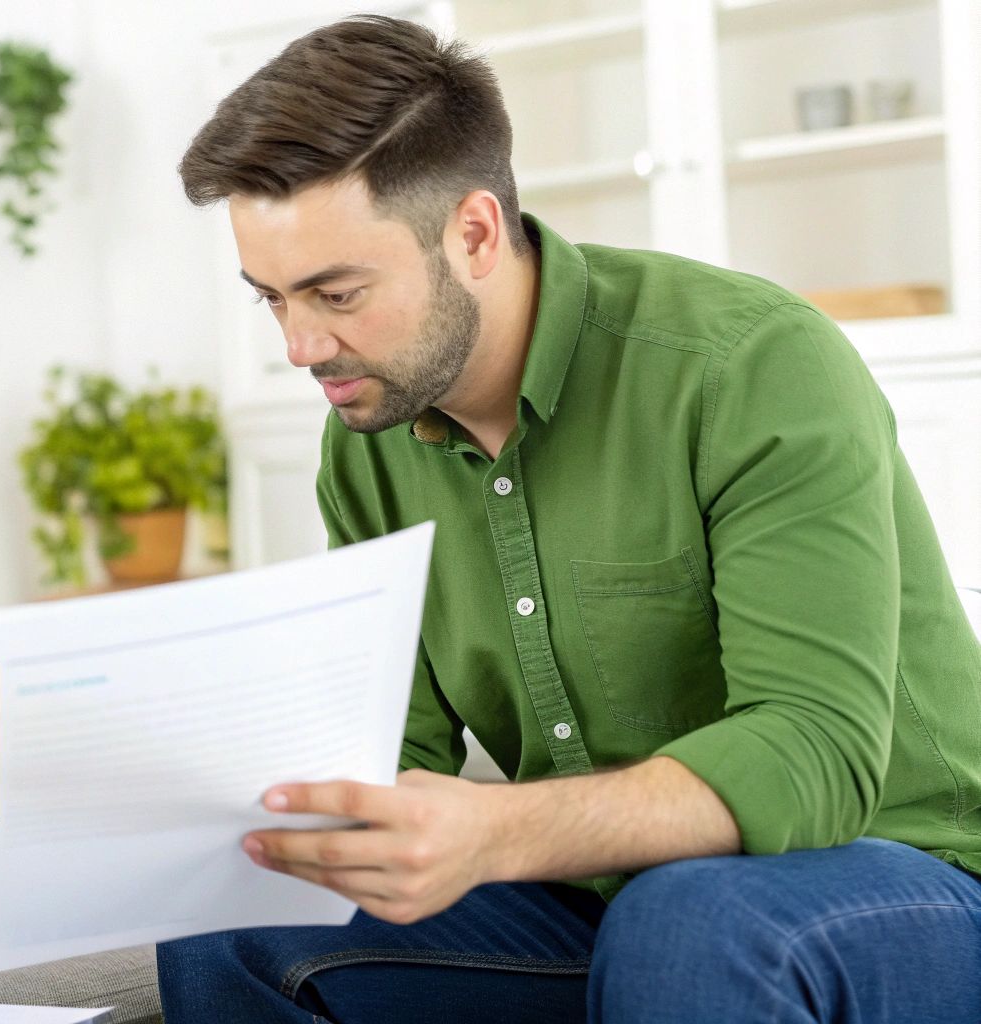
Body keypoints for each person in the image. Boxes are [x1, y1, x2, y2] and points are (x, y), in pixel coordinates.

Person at [157, 14, 981, 1023]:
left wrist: (498, 831)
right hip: (601, 903)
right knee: (232, 920)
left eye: (334, 292)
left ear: (471, 233)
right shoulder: (365, 438)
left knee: (689, 923)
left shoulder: (747, 366)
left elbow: (813, 751)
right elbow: (390, 759)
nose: (299, 344)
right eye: (269, 300)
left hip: (894, 880)